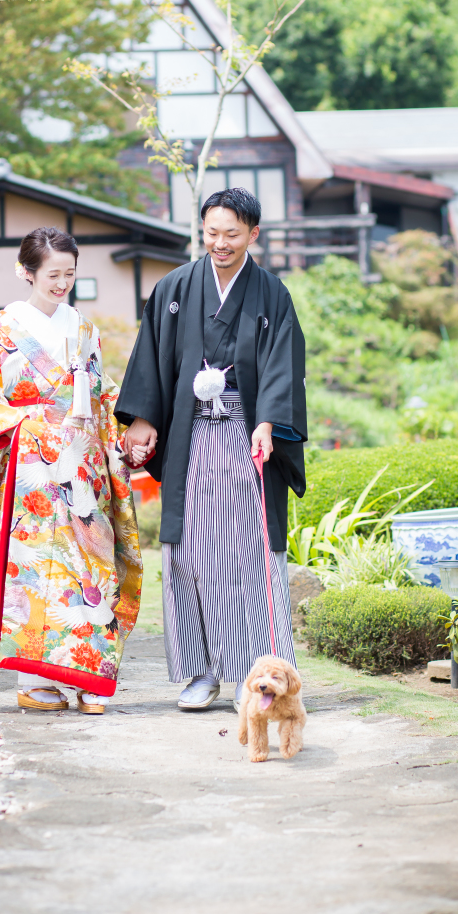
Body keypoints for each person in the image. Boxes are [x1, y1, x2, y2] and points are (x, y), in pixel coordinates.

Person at [116, 188, 306, 712]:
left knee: (253, 554)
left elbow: (281, 365)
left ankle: (266, 675)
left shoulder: (271, 293)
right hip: (190, 437)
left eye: (232, 234)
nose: (220, 243)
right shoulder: (175, 287)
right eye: (212, 232)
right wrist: (144, 421)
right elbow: (154, 361)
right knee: (186, 553)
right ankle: (200, 672)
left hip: (249, 438)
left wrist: (267, 422)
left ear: (253, 235)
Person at [0, 226, 142, 714]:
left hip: (82, 463)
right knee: (34, 571)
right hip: (31, 471)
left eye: (70, 274)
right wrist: (28, 421)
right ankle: (34, 682)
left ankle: (85, 677)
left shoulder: (83, 328)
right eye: (53, 275)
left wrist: (122, 439)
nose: (62, 284)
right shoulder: (3, 330)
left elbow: (103, 392)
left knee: (90, 564)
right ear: (27, 272)